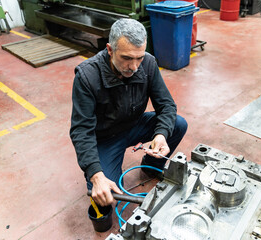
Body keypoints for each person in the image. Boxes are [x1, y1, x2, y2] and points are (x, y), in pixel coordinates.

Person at [69, 18, 188, 207]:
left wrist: (160, 134)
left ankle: (151, 165)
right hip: (106, 138)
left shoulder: (148, 63)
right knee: (107, 199)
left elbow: (166, 105)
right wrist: (95, 174)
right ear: (110, 49)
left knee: (177, 124)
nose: (134, 67)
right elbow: (81, 131)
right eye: (126, 58)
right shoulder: (87, 77)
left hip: (134, 125)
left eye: (139, 57)